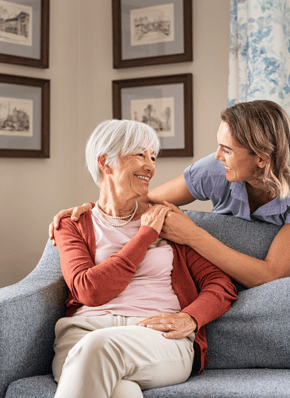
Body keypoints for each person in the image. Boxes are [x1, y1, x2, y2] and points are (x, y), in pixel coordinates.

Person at [50, 100, 290, 289]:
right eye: (218, 145)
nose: (216, 155)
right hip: (214, 282)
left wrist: (192, 235)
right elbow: (142, 203)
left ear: (261, 158)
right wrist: (94, 208)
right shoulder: (215, 169)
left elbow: (272, 275)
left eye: (227, 149)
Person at [51, 119, 237, 398]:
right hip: (84, 333)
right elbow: (89, 290)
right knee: (122, 392)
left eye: (153, 157)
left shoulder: (168, 220)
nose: (150, 166)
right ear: (105, 162)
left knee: (99, 348)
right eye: (140, 154)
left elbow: (220, 284)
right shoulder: (74, 223)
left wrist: (190, 317)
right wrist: (144, 237)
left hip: (156, 336)